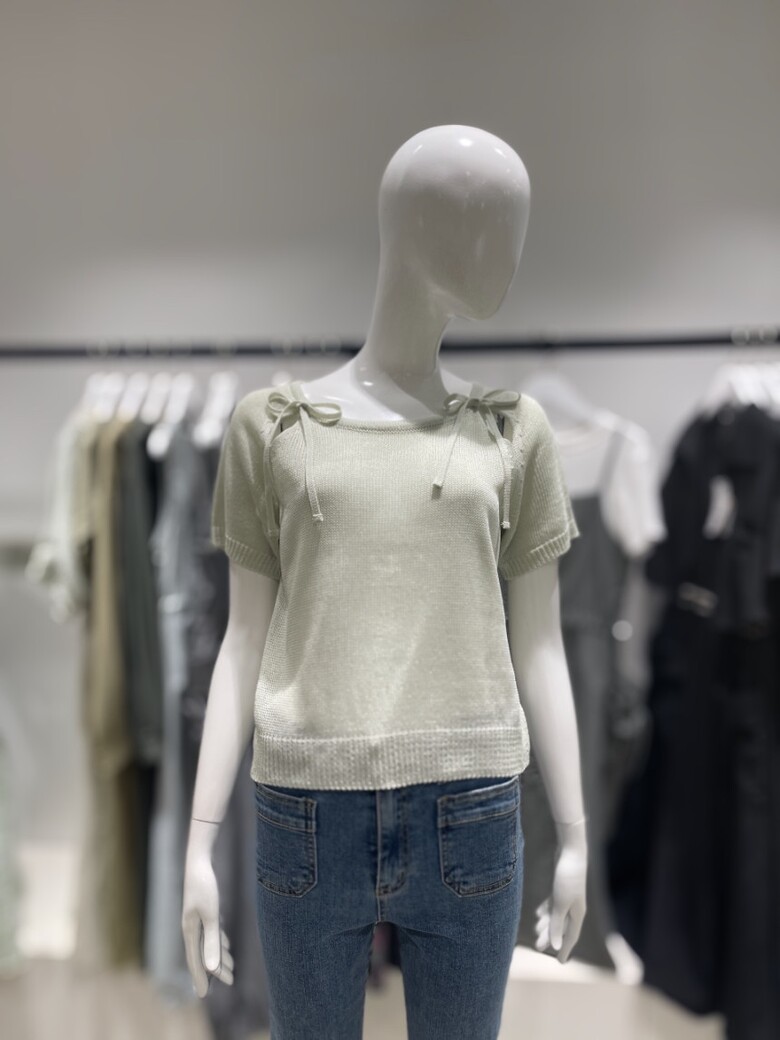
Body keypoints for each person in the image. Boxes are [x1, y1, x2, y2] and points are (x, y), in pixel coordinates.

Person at [181, 124, 588, 1040]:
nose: (513, 258)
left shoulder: (513, 432)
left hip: (473, 807)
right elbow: (242, 641)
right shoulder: (272, 427)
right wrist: (198, 844)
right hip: (305, 812)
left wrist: (576, 834)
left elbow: (542, 645)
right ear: (420, 229)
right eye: (496, 226)